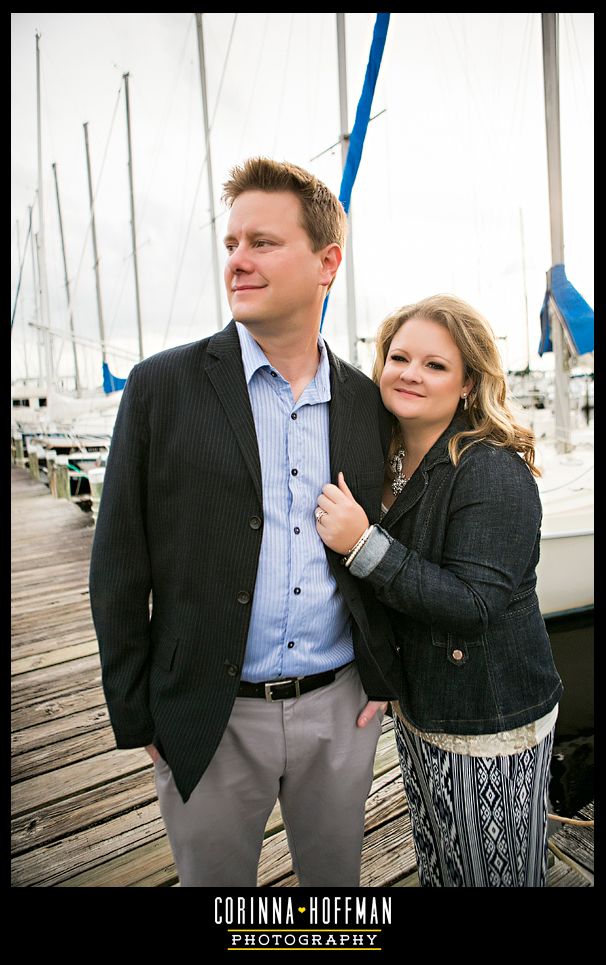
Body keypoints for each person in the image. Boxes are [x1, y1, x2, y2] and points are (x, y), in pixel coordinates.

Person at [89, 157, 399, 888]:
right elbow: (118, 563)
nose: (238, 261)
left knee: (335, 902)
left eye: (262, 242)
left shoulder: (365, 400)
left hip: (339, 710)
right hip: (208, 717)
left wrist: (381, 669)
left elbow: (393, 534)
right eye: (231, 243)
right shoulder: (161, 386)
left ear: (328, 262)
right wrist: (137, 714)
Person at [314, 293, 564, 887]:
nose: (410, 374)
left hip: (489, 716)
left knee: (494, 877)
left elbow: (474, 605)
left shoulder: (493, 470)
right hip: (422, 708)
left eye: (435, 365)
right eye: (399, 357)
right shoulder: (384, 455)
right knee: (442, 862)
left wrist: (362, 544)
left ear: (468, 384)